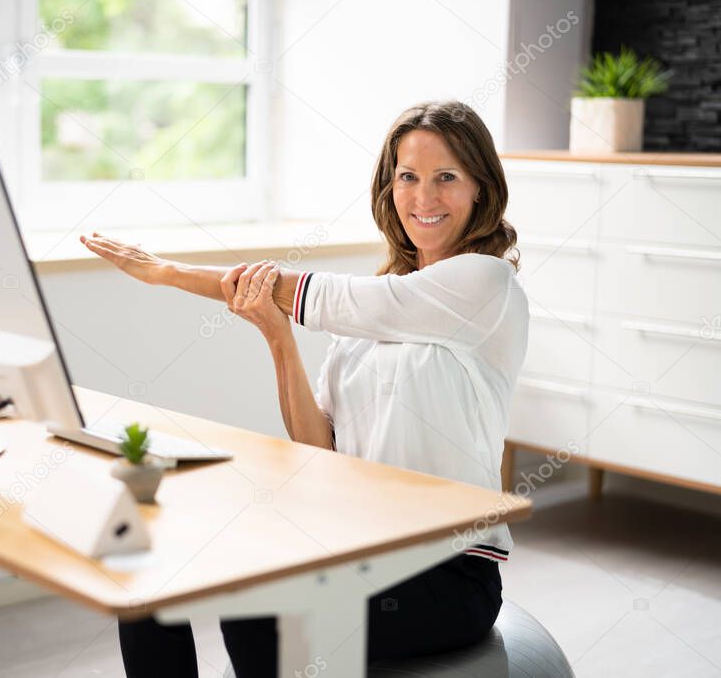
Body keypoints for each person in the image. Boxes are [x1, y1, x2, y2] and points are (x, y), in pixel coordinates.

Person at [79, 99, 528, 677]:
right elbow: (319, 448)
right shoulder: (374, 310)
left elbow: (309, 293)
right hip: (357, 548)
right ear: (388, 189)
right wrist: (277, 338)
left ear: (480, 189)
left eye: (447, 178)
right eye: (408, 177)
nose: (424, 198)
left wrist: (167, 272)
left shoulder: (485, 284)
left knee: (259, 609)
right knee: (150, 562)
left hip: (447, 571)